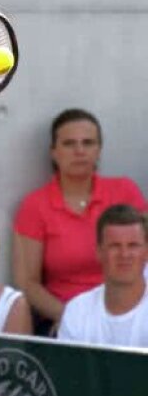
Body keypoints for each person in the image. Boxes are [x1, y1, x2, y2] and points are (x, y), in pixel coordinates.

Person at [12, 108, 147, 335]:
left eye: (88, 143)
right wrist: (69, 316)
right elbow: (28, 282)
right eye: (69, 144)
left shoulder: (125, 191)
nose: (79, 151)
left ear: (98, 150)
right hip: (62, 316)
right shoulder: (35, 206)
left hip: (132, 312)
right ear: (54, 152)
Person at [57, 204, 148, 348]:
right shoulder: (77, 311)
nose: (124, 255)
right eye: (114, 246)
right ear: (99, 252)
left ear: (146, 252)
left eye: (133, 245)